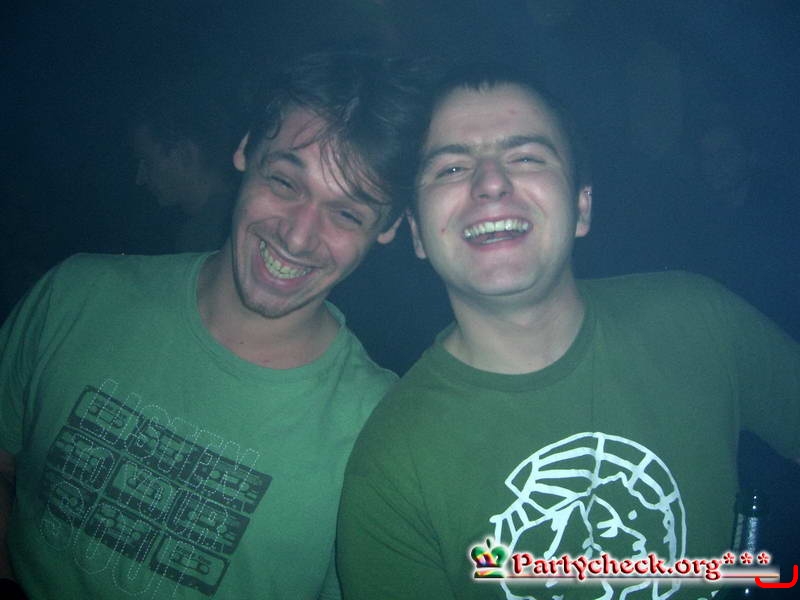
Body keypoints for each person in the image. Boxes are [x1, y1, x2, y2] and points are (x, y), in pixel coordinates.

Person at [337, 62, 800, 600]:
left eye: (526, 157)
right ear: (417, 233)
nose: (491, 183)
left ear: (581, 206)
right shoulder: (391, 466)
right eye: (452, 168)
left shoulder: (700, 320)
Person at [0, 50, 427, 599]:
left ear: (387, 228)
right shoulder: (76, 295)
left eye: (347, 213)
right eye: (285, 182)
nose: (298, 236)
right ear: (244, 150)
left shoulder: (383, 432)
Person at [130, 72, 244, 253]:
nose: (140, 178)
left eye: (147, 161)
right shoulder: (234, 218)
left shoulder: (204, 234)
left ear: (185, 153)